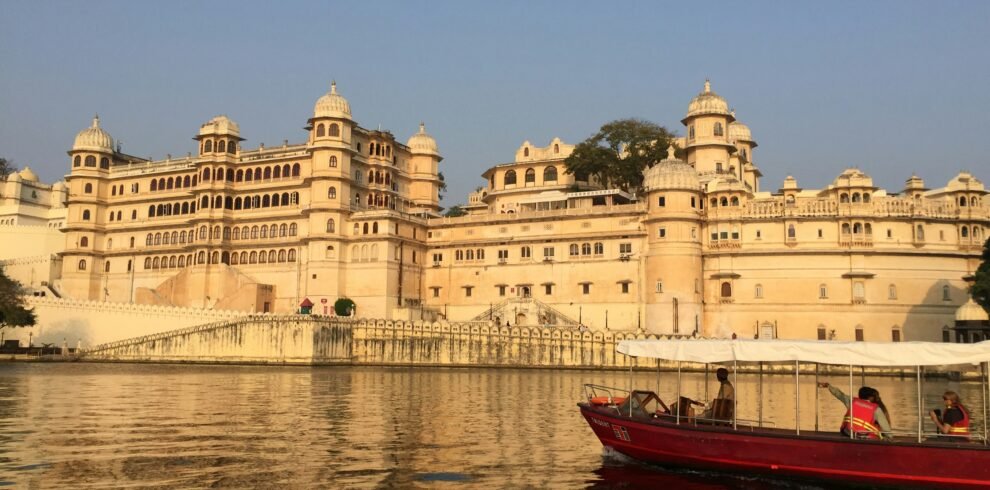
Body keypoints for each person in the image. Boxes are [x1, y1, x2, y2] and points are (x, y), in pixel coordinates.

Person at [818, 382, 891, 440]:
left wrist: (829, 386)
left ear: (860, 396)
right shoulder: (876, 409)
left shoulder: (852, 401)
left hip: (848, 433)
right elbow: (886, 429)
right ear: (871, 397)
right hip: (867, 437)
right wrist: (889, 437)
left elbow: (839, 394)